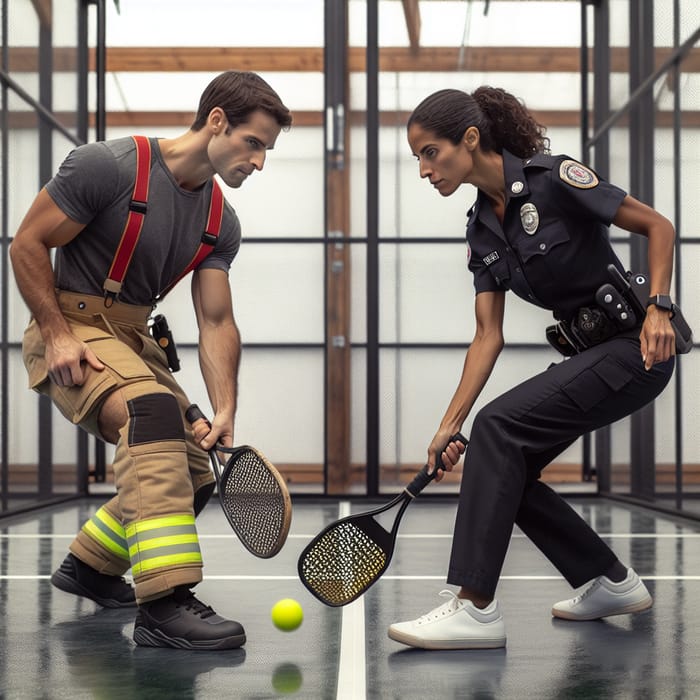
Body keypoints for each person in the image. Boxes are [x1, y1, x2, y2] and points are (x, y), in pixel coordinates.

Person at [388, 86, 677, 650]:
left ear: (469, 140)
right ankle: (608, 580)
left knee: (498, 429)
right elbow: (486, 336)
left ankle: (473, 608)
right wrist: (448, 424)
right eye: (417, 158)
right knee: (504, 470)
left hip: (636, 350)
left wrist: (660, 308)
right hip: (592, 356)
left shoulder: (555, 179)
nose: (423, 170)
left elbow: (658, 227)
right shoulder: (480, 231)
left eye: (429, 152)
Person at [10, 70, 292, 650]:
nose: (259, 162)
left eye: (266, 149)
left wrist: (224, 407)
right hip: (71, 327)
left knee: (193, 464)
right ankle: (163, 606)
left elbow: (216, 320)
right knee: (152, 415)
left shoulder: (220, 222)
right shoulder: (106, 167)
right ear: (217, 122)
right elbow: (27, 243)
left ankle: (90, 566)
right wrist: (57, 336)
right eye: (254, 143)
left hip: (134, 341)